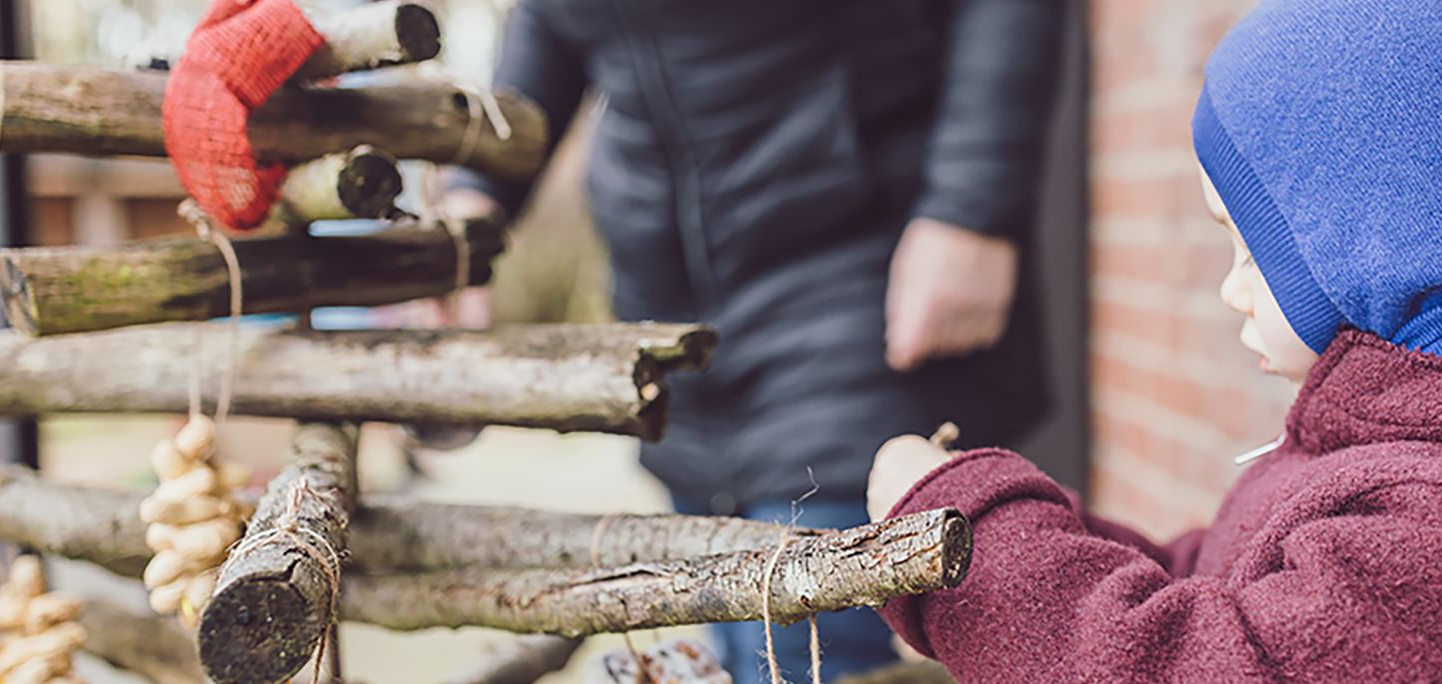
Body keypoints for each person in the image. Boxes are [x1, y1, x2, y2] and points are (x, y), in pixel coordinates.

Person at [866, 0, 1442, 680]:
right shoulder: (1430, 446)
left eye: (1250, 242)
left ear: (1386, 232)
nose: (1229, 286)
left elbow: (1201, 665)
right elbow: (1222, 586)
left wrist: (976, 550)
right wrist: (984, 522)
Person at [444, 2, 1065, 682]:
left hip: (853, 274)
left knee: (806, 651)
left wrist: (972, 208)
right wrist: (477, 190)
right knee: (730, 637)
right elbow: (552, 20)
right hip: (671, 321)